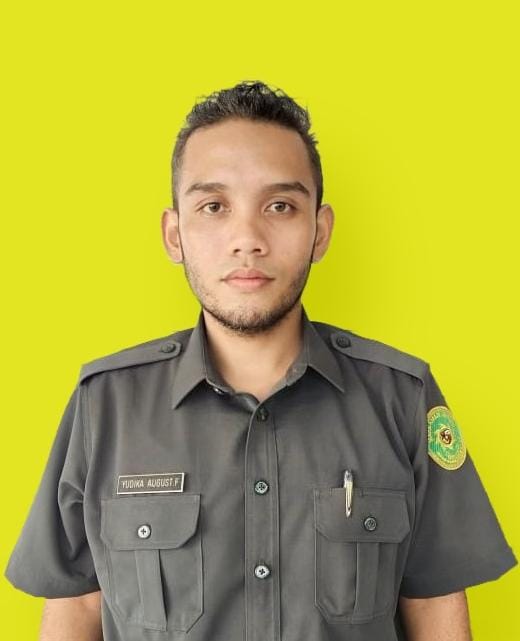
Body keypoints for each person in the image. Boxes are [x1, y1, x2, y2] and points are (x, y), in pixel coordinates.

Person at [5, 80, 517, 641]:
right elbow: (78, 609)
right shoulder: (105, 405)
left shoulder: (403, 398)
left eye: (280, 206)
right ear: (174, 235)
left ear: (319, 231)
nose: (247, 239)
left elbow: (435, 610)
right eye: (214, 206)